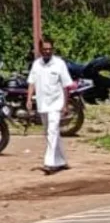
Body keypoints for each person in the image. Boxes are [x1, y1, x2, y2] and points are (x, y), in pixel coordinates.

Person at [26, 38, 74, 174]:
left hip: (56, 104)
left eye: (49, 49)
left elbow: (66, 86)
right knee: (50, 132)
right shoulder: (36, 64)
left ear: (52, 49)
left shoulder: (59, 64)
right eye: (45, 49)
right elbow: (31, 83)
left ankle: (50, 163)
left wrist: (65, 105)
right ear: (40, 50)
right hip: (42, 104)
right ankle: (61, 160)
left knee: (52, 131)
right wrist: (29, 99)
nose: (47, 51)